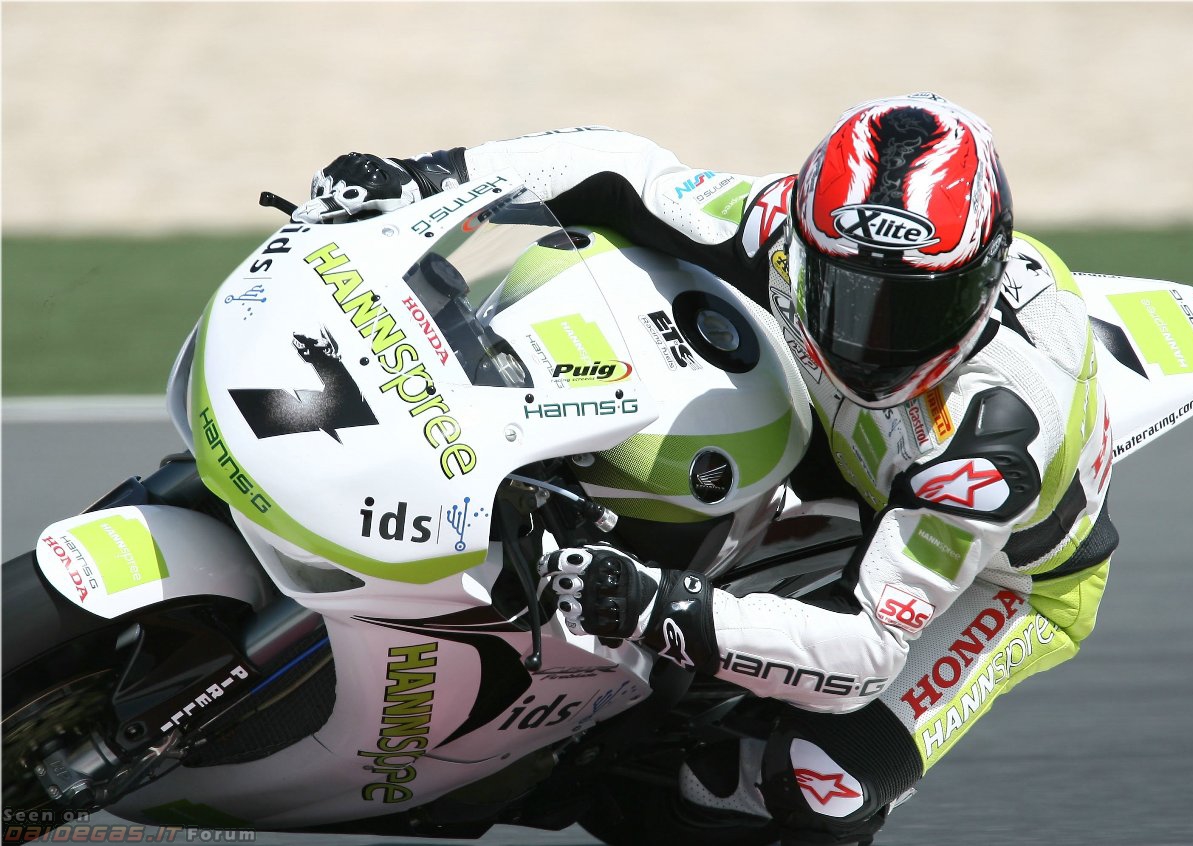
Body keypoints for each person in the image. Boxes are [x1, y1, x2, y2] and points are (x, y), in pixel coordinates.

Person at [296, 93, 1117, 845]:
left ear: (984, 281)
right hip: (843, 442)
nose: (871, 340)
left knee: (821, 787)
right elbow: (624, 171)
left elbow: (865, 654)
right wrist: (428, 177)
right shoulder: (788, 229)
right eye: (845, 292)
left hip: (1003, 578)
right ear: (805, 241)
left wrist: (657, 605)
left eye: (917, 310)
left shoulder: (990, 444)